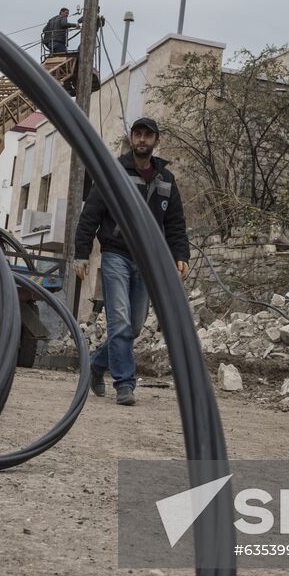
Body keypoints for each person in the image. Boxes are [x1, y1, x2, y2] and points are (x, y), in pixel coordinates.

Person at [73, 117, 189, 406]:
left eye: (147, 136)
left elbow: (175, 223)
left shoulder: (166, 181)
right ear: (131, 139)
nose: (142, 140)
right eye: (137, 134)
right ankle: (125, 384)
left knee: (134, 326)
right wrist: (81, 253)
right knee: (120, 322)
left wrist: (180, 255)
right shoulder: (113, 173)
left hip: (148, 262)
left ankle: (97, 364)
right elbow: (91, 214)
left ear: (155, 141)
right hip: (116, 256)